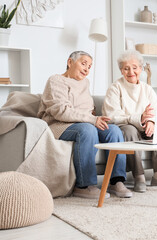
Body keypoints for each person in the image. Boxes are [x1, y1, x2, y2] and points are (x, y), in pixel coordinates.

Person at [38, 51, 132, 199]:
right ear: (70, 62)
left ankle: (116, 181)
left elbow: (87, 107)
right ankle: (84, 185)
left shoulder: (85, 82)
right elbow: (61, 111)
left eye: (90, 66)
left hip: (83, 122)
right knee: (88, 130)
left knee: (113, 130)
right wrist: (92, 119)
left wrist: (94, 116)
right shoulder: (55, 80)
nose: (87, 69)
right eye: (83, 63)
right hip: (59, 124)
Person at [102, 50, 157, 193]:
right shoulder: (115, 88)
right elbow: (112, 115)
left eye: (135, 67)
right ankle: (139, 177)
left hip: (144, 125)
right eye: (126, 68)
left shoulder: (147, 89)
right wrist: (138, 118)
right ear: (121, 70)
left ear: (141, 69)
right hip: (126, 126)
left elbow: (155, 109)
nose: (131, 72)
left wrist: (151, 122)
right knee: (130, 130)